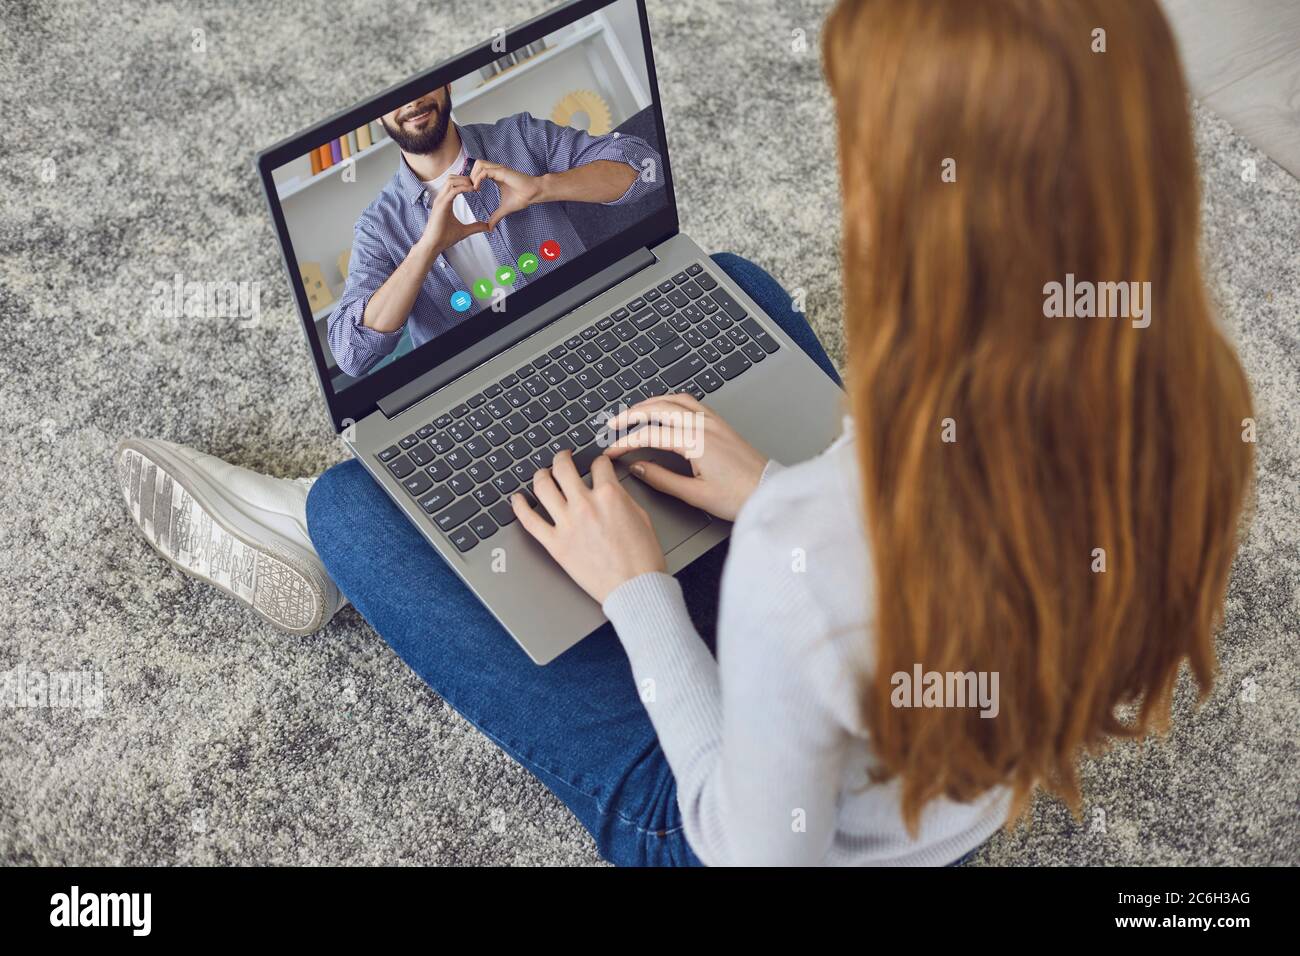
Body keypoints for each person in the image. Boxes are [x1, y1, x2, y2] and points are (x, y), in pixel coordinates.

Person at [118, 0, 1253, 866]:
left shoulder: (806, 557)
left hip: (726, 819)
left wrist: (639, 590)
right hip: (930, 769)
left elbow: (750, 843)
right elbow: (366, 336)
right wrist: (762, 492)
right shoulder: (1189, 410)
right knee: (739, 286)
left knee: (352, 504)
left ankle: (312, 543)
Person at [328, 86, 662, 377]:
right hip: (478, 389)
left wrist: (543, 187)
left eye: (420, 86)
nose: (412, 102)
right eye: (392, 98)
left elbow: (647, 168)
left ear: (446, 84)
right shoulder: (377, 226)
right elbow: (350, 355)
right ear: (376, 114)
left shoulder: (520, 137)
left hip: (586, 336)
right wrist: (426, 249)